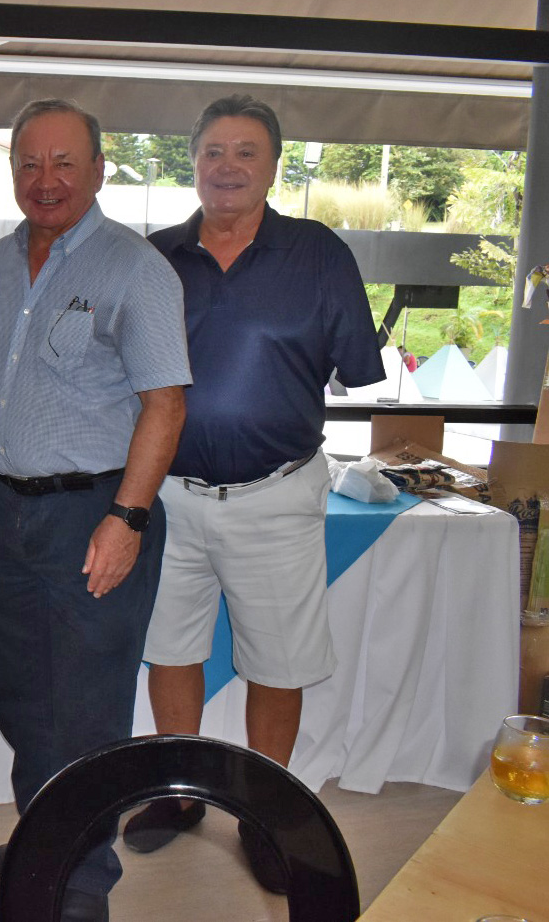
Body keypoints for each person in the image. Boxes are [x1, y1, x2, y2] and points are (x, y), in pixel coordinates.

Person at [123, 95, 384, 892]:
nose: (228, 166)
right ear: (192, 162)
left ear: (273, 165)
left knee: (278, 660)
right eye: (213, 151)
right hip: (168, 494)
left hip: (277, 495)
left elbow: (356, 369)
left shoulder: (320, 254)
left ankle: (268, 810)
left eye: (246, 152)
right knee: (171, 646)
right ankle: (179, 792)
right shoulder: (154, 257)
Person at [0, 98, 190, 922]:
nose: (44, 179)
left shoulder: (135, 267)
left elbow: (166, 404)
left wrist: (128, 518)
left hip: (96, 511)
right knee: (22, 697)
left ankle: (82, 884)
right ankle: (45, 838)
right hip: (5, 508)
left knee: (86, 708)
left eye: (63, 162)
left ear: (98, 170)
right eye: (29, 162)